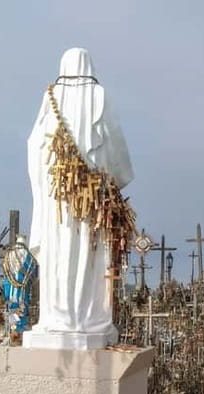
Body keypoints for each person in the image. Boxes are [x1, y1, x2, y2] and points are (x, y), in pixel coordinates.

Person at [25, 47, 133, 348]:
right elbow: (115, 147)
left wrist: (45, 187)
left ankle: (56, 315)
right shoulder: (99, 96)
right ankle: (86, 317)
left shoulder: (50, 97)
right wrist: (111, 176)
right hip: (90, 197)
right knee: (87, 249)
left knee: (59, 251)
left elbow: (35, 146)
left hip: (57, 198)